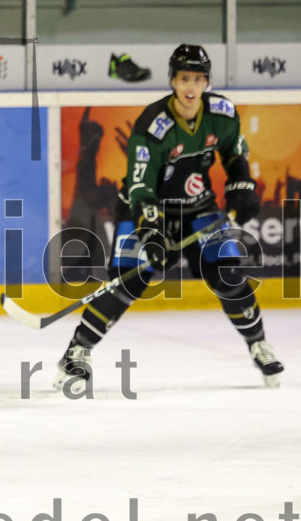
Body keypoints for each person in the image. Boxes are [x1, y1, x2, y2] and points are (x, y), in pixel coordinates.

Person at [55, 44, 285, 392]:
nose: (191, 87)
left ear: (206, 81)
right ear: (172, 81)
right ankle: (76, 352)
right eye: (183, 79)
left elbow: (234, 149)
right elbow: (139, 186)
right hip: (145, 208)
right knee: (127, 282)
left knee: (228, 273)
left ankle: (258, 344)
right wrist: (150, 231)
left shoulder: (221, 113)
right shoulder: (153, 126)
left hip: (199, 211)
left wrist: (241, 184)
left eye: (197, 78)